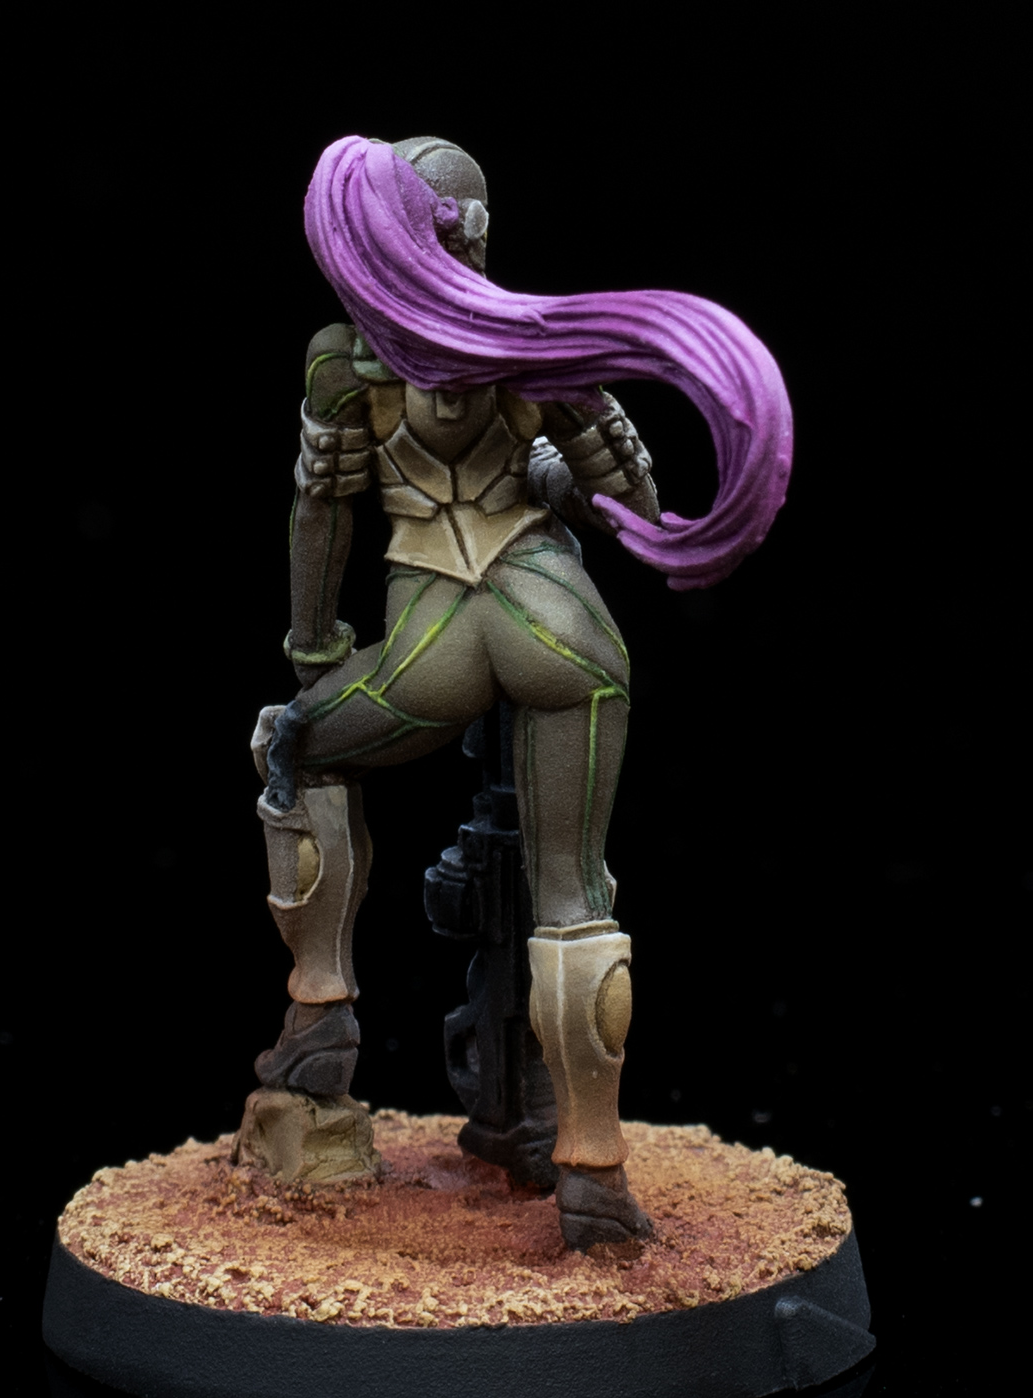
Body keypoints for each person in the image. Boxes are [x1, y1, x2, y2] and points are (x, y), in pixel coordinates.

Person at [252, 135, 791, 1257]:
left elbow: (321, 514)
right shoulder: (538, 345)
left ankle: (319, 1020)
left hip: (432, 638)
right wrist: (554, 472)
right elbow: (633, 499)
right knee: (574, 893)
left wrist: (314, 656)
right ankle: (590, 1169)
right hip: (565, 634)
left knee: (297, 748)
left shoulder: (345, 365)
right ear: (479, 234)